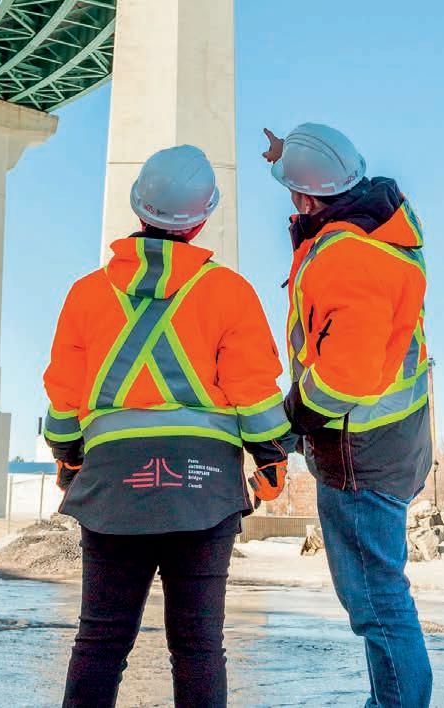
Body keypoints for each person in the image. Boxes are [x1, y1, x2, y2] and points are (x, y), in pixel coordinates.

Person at [43, 144, 297, 708]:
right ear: (202, 219)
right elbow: (253, 392)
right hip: (203, 490)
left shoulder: (86, 295)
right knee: (199, 647)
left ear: (138, 208)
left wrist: (68, 456)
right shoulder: (229, 292)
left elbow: (64, 397)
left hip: (112, 489)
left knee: (101, 642)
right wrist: (271, 456)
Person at [263, 123, 434, 707]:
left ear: (307, 197)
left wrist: (291, 420)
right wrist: (288, 155)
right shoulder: (379, 229)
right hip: (391, 440)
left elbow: (345, 377)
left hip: (360, 450)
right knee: (379, 597)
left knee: (378, 603)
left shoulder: (345, 256)